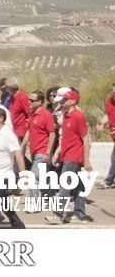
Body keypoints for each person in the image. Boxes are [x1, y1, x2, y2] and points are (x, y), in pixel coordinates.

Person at [46, 89, 94, 224]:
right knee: (77, 186)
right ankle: (80, 215)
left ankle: (57, 215)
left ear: (73, 101)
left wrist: (86, 159)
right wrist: (57, 153)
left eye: (65, 99)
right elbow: (65, 139)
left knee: (64, 185)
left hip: (74, 157)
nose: (62, 101)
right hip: (66, 155)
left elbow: (85, 138)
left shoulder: (78, 116)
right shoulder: (66, 115)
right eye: (62, 99)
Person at [22, 90, 56, 207]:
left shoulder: (46, 115)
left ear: (40, 102)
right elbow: (29, 131)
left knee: (33, 177)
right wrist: (21, 146)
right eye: (29, 99)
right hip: (33, 152)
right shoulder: (31, 114)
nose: (29, 102)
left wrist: (47, 152)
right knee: (42, 178)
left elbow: (52, 134)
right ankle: (48, 199)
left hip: (42, 152)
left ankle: (34, 204)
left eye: (32, 100)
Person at [97, 83, 115, 189]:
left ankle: (108, 181)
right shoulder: (109, 101)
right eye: (112, 92)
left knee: (114, 158)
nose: (114, 94)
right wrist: (102, 123)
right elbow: (108, 115)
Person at [6, 78, 31, 145]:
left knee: (19, 151)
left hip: (21, 129)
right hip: (14, 128)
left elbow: (29, 112)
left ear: (10, 88)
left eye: (7, 87)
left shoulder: (22, 97)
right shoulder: (12, 97)